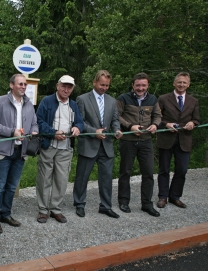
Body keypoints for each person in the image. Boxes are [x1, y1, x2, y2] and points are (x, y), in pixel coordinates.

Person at [0, 74, 39, 234]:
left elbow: (34, 122)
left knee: (11, 187)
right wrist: (12, 132)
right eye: (20, 84)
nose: (23, 86)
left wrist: (34, 131)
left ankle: (6, 214)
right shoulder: (0, 101)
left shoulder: (29, 104)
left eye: (25, 84)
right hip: (3, 151)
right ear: (11, 85)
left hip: (21, 151)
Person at [73, 70, 123, 218]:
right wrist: (94, 131)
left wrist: (117, 130)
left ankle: (106, 206)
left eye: (107, 85)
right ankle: (79, 204)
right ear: (94, 82)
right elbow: (79, 122)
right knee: (82, 176)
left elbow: (115, 120)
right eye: (102, 84)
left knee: (107, 178)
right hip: (89, 144)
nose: (104, 88)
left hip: (106, 146)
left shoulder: (112, 101)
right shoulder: (82, 99)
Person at [35, 75, 84, 223]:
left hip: (66, 148)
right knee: (44, 179)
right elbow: (38, 121)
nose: (66, 89)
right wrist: (53, 133)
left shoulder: (73, 105)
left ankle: (55, 209)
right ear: (57, 86)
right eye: (64, 86)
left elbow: (80, 122)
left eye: (69, 87)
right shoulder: (47, 101)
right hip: (49, 146)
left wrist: (77, 127)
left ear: (72, 89)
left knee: (61, 180)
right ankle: (43, 210)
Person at [116, 72, 161, 217]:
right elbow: (117, 116)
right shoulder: (123, 98)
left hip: (146, 141)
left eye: (143, 85)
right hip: (128, 141)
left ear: (148, 85)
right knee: (125, 172)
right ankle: (123, 201)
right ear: (133, 85)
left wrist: (155, 125)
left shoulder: (153, 99)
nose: (140, 88)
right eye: (138, 85)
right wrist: (130, 127)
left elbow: (158, 116)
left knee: (148, 173)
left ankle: (147, 204)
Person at [156, 72, 200, 209]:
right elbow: (156, 117)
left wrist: (193, 123)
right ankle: (163, 196)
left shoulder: (193, 101)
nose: (181, 85)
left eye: (184, 83)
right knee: (164, 169)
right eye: (179, 82)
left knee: (182, 169)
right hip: (166, 138)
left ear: (188, 84)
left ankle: (175, 196)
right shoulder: (163, 99)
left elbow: (197, 119)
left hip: (184, 139)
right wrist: (166, 124)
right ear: (174, 83)